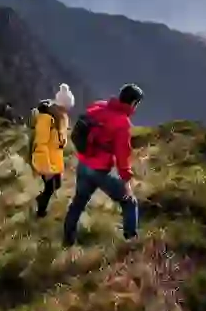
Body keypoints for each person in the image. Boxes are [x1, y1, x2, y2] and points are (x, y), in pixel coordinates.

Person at [63, 83, 144, 246]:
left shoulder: (97, 106)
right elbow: (122, 155)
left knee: (78, 202)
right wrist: (126, 181)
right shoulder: (123, 123)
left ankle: (67, 240)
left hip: (83, 163)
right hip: (99, 170)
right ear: (133, 103)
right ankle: (131, 243)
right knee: (129, 202)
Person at [30, 83, 75, 218]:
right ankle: (40, 213)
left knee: (57, 185)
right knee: (50, 188)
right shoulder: (46, 119)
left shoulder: (61, 118)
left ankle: (40, 201)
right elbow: (41, 144)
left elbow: (59, 139)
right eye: (66, 107)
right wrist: (46, 168)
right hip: (45, 159)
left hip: (54, 159)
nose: (67, 110)